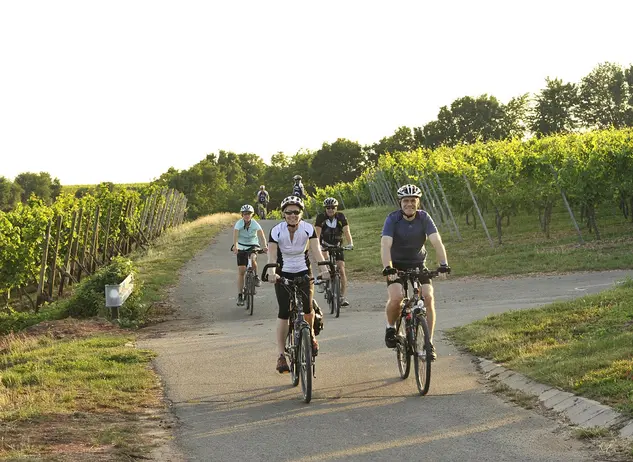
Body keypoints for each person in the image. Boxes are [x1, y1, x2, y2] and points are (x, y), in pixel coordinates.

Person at [380, 184, 451, 361]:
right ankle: (390, 327)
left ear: (418, 202)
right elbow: (385, 244)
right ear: (400, 203)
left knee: (428, 297)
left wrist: (443, 263)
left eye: (413, 200)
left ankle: (429, 343)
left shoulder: (424, 218)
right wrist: (388, 268)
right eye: (406, 201)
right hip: (396, 265)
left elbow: (436, 241)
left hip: (418, 263)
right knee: (396, 297)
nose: (409, 204)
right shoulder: (392, 219)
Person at [266, 195, 329, 373]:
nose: (292, 215)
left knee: (308, 309)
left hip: (303, 272)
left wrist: (324, 269)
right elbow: (271, 255)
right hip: (282, 273)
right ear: (283, 214)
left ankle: (311, 336)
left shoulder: (308, 229)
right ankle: (280, 355)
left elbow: (316, 251)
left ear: (301, 213)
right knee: (284, 312)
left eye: (296, 212)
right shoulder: (276, 230)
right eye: (289, 212)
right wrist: (272, 272)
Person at [314, 197, 354, 306]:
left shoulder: (340, 217)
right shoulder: (320, 217)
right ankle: (323, 279)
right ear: (325, 209)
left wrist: (350, 243)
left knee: (341, 269)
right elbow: (317, 234)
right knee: (323, 260)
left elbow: (346, 230)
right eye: (328, 208)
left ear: (336, 208)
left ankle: (342, 296)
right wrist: (317, 246)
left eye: (332, 207)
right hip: (325, 245)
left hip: (337, 245)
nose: (330, 210)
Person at [233, 204, 268, 306]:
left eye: (249, 214)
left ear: (252, 215)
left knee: (253, 258)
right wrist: (235, 247)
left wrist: (265, 246)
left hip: (253, 245)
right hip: (241, 246)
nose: (247, 216)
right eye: (245, 214)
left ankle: (256, 277)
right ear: (242, 215)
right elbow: (235, 237)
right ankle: (240, 295)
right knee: (241, 271)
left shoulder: (255, 224)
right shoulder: (238, 224)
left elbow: (261, 235)